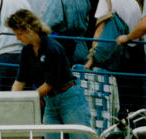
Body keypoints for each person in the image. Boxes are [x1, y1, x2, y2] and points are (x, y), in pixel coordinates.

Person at [8, 9, 91, 138]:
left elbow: (50, 84)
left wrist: (25, 99)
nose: (17, 38)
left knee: (79, 136)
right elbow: (20, 80)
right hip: (50, 100)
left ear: (30, 30)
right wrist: (11, 100)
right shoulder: (26, 51)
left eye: (19, 34)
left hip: (69, 98)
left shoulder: (53, 49)